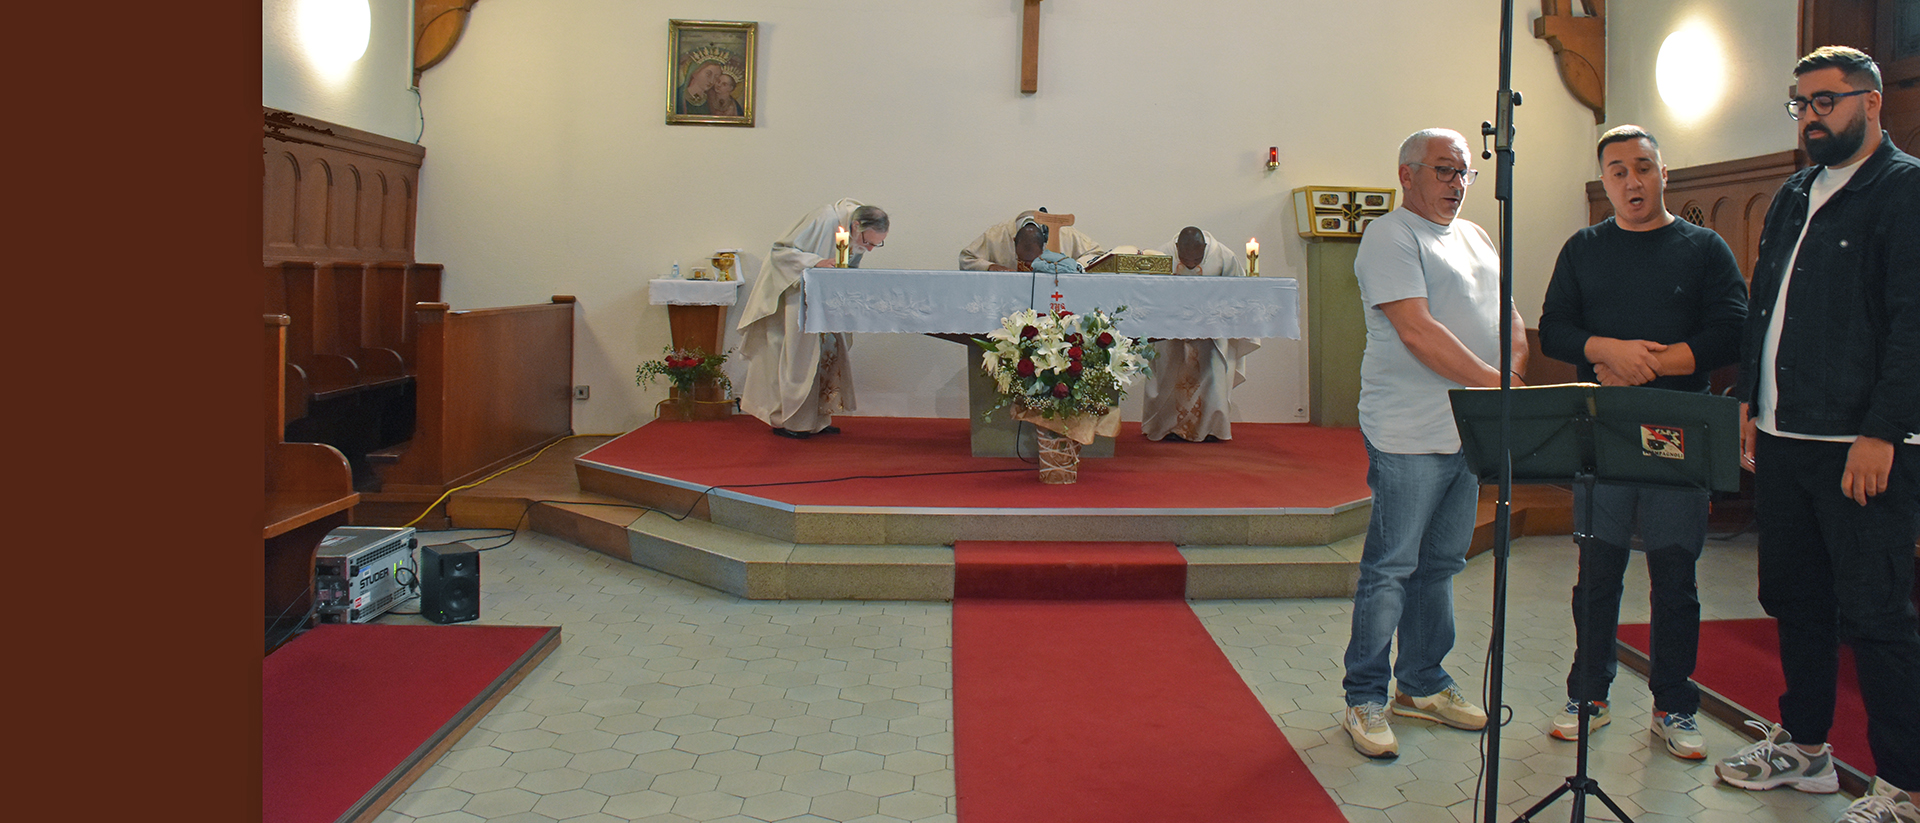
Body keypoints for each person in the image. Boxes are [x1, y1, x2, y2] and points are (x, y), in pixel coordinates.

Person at [1719, 46, 1920, 822]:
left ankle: (1903, 783)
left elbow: (1913, 324)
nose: (1811, 116)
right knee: (1793, 597)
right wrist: (1748, 398)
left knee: (1876, 614)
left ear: (1872, 103)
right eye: (1800, 103)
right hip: (1782, 433)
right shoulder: (1794, 193)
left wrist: (1887, 430)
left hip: (1860, 446)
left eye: (1827, 101)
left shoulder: (1903, 192)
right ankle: (1806, 751)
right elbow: (1762, 303)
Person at [1536, 125, 1749, 761]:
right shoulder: (1583, 248)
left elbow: (1732, 330)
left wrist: (1654, 364)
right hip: (1600, 429)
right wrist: (1607, 351)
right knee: (1597, 572)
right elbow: (1554, 330)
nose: (1632, 180)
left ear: (1664, 174)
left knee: (1675, 574)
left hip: (1676, 431)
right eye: (1619, 170)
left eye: (1644, 167)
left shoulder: (1704, 248)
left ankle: (1674, 705)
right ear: (1604, 181)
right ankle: (1588, 695)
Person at [1339, 128, 1526, 759]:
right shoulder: (1390, 236)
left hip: (1466, 430)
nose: (1457, 185)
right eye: (1444, 171)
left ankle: (1421, 682)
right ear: (1407, 175)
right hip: (1409, 430)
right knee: (1391, 567)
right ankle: (1364, 695)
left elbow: (1509, 314)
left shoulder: (1474, 235)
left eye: (1465, 173)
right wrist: (1501, 386)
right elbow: (1419, 332)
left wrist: (1514, 375)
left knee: (1442, 565)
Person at [736, 199, 889, 439]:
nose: (868, 249)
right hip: (796, 297)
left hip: (826, 302)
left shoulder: (853, 230)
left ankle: (816, 420)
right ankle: (793, 422)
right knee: (800, 359)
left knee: (826, 354)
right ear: (856, 225)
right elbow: (780, 252)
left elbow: (847, 265)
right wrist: (815, 262)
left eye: (876, 245)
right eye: (867, 242)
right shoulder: (825, 218)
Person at [1141, 226, 1259, 442]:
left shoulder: (1224, 256)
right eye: (1186, 260)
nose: (1191, 264)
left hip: (1211, 334)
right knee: (1169, 376)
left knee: (1214, 377)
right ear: (1177, 248)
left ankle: (1211, 428)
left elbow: (1239, 291)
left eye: (1196, 259)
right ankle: (1168, 427)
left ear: (1204, 248)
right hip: (1170, 333)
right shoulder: (1162, 254)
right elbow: (1149, 293)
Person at [958, 209, 1104, 271]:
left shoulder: (1063, 233)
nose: (1030, 267)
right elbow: (966, 258)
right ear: (1014, 240)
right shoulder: (998, 235)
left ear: (1044, 244)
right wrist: (990, 266)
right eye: (1024, 261)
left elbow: (1097, 255)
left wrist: (1073, 266)